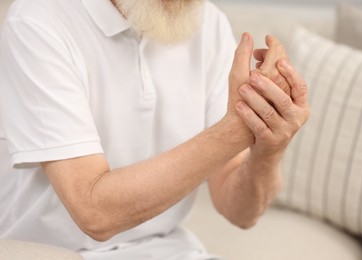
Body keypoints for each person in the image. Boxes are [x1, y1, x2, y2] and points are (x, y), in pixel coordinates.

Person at [0, 0, 310, 259]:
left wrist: (268, 144)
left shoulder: (207, 21)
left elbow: (240, 212)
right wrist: (238, 128)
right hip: (49, 252)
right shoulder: (37, 20)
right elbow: (94, 212)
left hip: (168, 249)